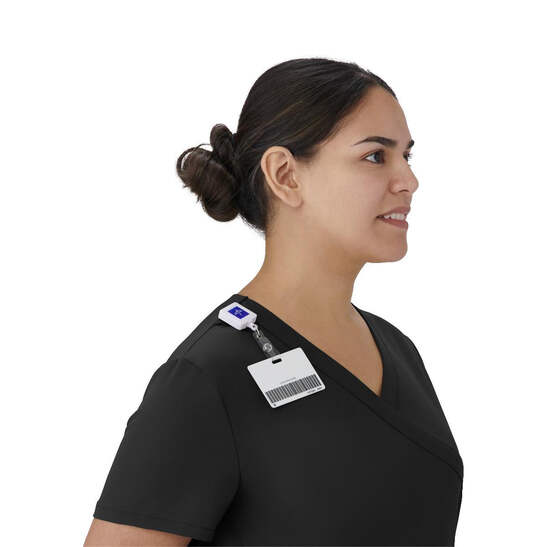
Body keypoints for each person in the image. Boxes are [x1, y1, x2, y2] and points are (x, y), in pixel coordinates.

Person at [84, 57, 464, 546]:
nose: (408, 180)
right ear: (285, 175)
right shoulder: (206, 378)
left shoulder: (398, 350)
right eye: (375, 156)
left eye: (407, 156)